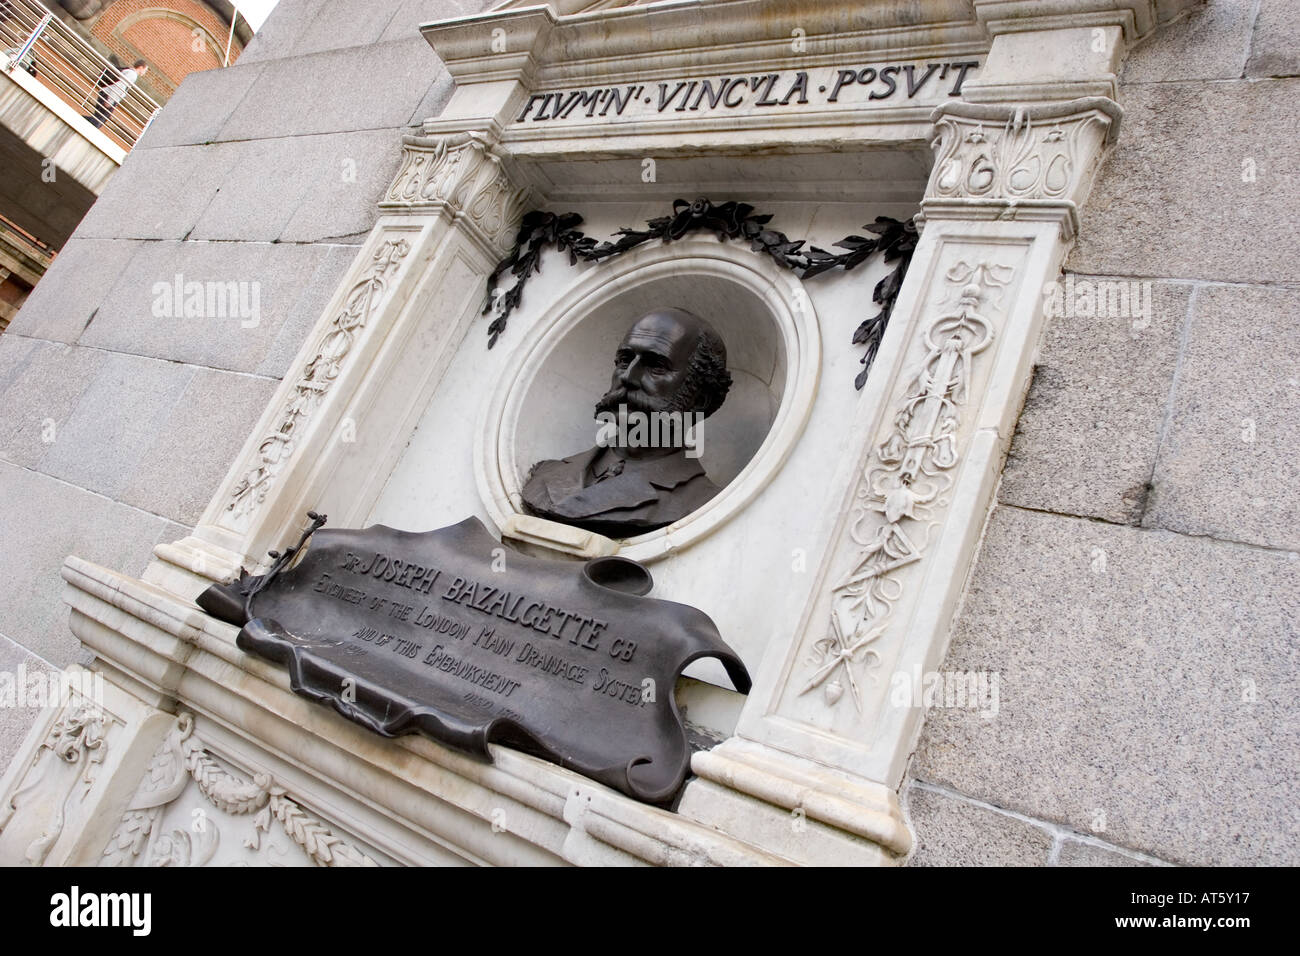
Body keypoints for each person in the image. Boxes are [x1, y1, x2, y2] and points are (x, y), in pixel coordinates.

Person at [521, 308, 733, 537]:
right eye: (625, 360)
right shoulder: (547, 472)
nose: (628, 377)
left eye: (656, 366)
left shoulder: (704, 502)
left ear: (699, 400)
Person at [86, 58, 147, 130]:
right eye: (145, 70)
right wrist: (110, 100)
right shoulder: (132, 74)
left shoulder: (129, 71)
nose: (145, 72)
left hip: (106, 94)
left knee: (98, 118)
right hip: (109, 96)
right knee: (99, 120)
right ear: (140, 67)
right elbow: (120, 86)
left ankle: (80, 121)